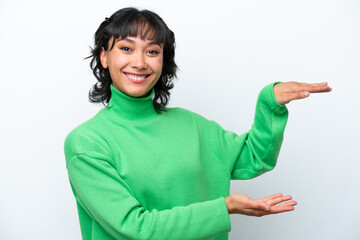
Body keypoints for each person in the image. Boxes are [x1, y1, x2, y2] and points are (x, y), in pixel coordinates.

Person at [63, 7, 332, 240]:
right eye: (126, 48)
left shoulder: (191, 124)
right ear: (104, 56)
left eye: (152, 51)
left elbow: (254, 157)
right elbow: (135, 228)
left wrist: (269, 103)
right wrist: (223, 208)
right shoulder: (87, 142)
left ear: (163, 60)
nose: (140, 62)